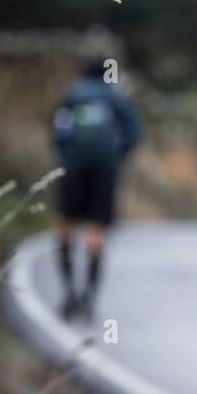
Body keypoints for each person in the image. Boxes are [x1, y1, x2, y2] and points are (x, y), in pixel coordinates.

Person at [52, 58, 141, 318]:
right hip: (104, 172)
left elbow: (58, 132)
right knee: (96, 232)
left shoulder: (73, 95)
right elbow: (134, 134)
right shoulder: (116, 98)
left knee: (66, 227)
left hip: (73, 170)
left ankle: (69, 292)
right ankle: (89, 298)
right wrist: (116, 160)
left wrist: (67, 159)